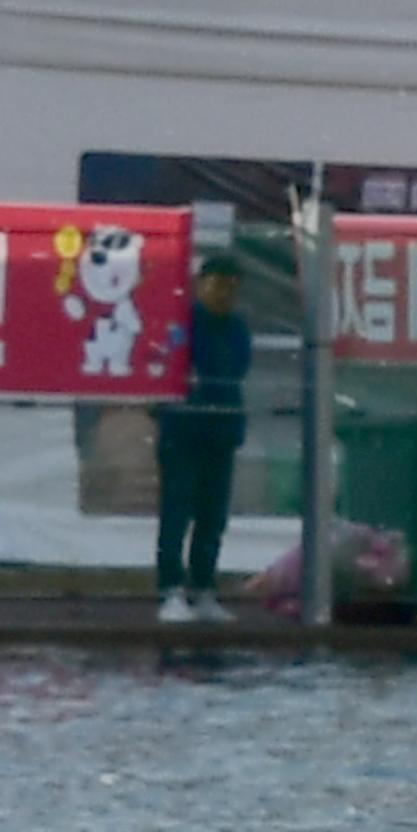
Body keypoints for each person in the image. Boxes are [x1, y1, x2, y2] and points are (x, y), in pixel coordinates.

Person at [155, 254, 251, 625]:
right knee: (176, 515)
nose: (225, 293)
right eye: (218, 283)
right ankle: (170, 590)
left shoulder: (238, 326)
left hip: (221, 432)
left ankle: (204, 589)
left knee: (213, 517)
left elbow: (238, 367)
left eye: (232, 286)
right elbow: (172, 361)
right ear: (201, 283)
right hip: (182, 433)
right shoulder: (181, 322)